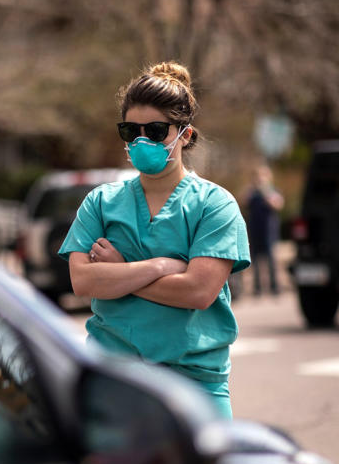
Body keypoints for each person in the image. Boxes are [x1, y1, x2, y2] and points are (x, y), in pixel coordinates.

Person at [58, 61, 250, 419]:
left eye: (157, 130)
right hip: (113, 380)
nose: (142, 140)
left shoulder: (214, 204)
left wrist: (120, 275)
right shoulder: (100, 202)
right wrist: (159, 267)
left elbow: (198, 291)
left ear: (185, 134)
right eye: (132, 131)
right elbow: (83, 281)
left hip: (195, 387)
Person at [244, 164, 283, 296]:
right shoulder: (252, 192)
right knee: (255, 261)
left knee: (271, 259)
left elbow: (278, 204)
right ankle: (257, 288)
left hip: (269, 232)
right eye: (257, 176)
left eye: (263, 176)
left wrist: (265, 191)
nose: (260, 179)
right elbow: (243, 201)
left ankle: (274, 286)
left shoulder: (272, 191)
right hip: (254, 231)